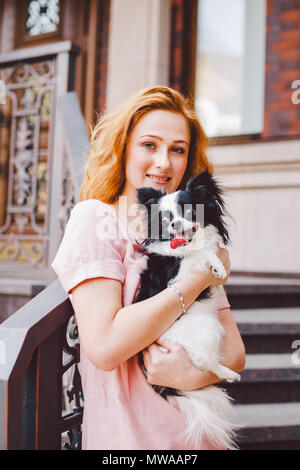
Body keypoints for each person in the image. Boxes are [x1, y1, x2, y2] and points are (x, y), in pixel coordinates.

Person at [51, 86, 245, 450]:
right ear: (123, 147)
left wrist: (191, 373)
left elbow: (234, 351)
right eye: (149, 145)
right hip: (133, 440)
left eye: (178, 150)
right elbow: (106, 346)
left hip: (200, 439)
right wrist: (196, 279)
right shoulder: (97, 219)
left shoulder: (191, 230)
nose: (163, 163)